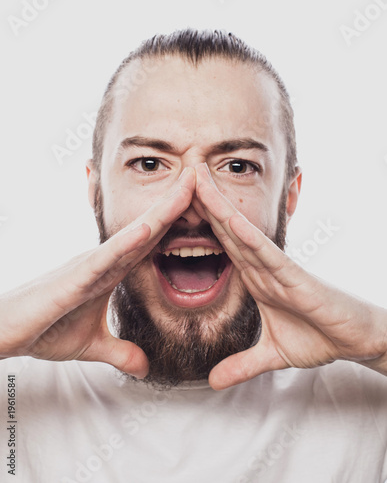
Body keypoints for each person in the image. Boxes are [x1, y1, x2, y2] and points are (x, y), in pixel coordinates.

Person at [1, 29, 386, 483]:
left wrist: (379, 343)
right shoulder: (13, 389)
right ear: (95, 189)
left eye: (238, 166)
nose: (189, 204)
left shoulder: (372, 388)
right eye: (149, 164)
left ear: (289, 197)